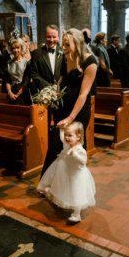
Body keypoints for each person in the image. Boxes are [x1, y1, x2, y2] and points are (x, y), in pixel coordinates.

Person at [41, 28, 97, 174]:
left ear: (77, 43)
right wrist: (52, 94)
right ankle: (50, 184)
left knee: (74, 146)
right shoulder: (66, 57)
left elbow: (83, 94)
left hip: (78, 111)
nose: (63, 48)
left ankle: (75, 185)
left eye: (67, 45)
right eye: (63, 45)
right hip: (63, 107)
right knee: (55, 144)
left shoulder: (90, 62)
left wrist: (70, 118)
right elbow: (61, 81)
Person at [37, 121, 95, 223]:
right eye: (66, 135)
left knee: (76, 193)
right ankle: (56, 196)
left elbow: (83, 162)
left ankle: (76, 214)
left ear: (78, 137)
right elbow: (62, 137)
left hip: (75, 175)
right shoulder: (67, 144)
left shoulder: (80, 150)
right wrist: (61, 129)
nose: (67, 138)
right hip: (64, 171)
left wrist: (76, 156)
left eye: (70, 135)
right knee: (63, 187)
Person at [29, 24, 64, 93]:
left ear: (58, 37)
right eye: (49, 37)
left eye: (54, 37)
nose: (51, 40)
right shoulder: (36, 53)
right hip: (42, 91)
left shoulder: (64, 52)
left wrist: (59, 87)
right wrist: (48, 86)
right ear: (45, 37)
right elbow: (33, 73)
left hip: (61, 92)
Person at [3, 38, 31, 105]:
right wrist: (10, 93)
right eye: (13, 48)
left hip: (23, 92)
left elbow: (27, 81)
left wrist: (18, 94)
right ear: (11, 50)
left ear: (21, 48)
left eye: (18, 48)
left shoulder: (26, 62)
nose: (16, 50)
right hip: (12, 92)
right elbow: (7, 80)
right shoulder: (9, 63)